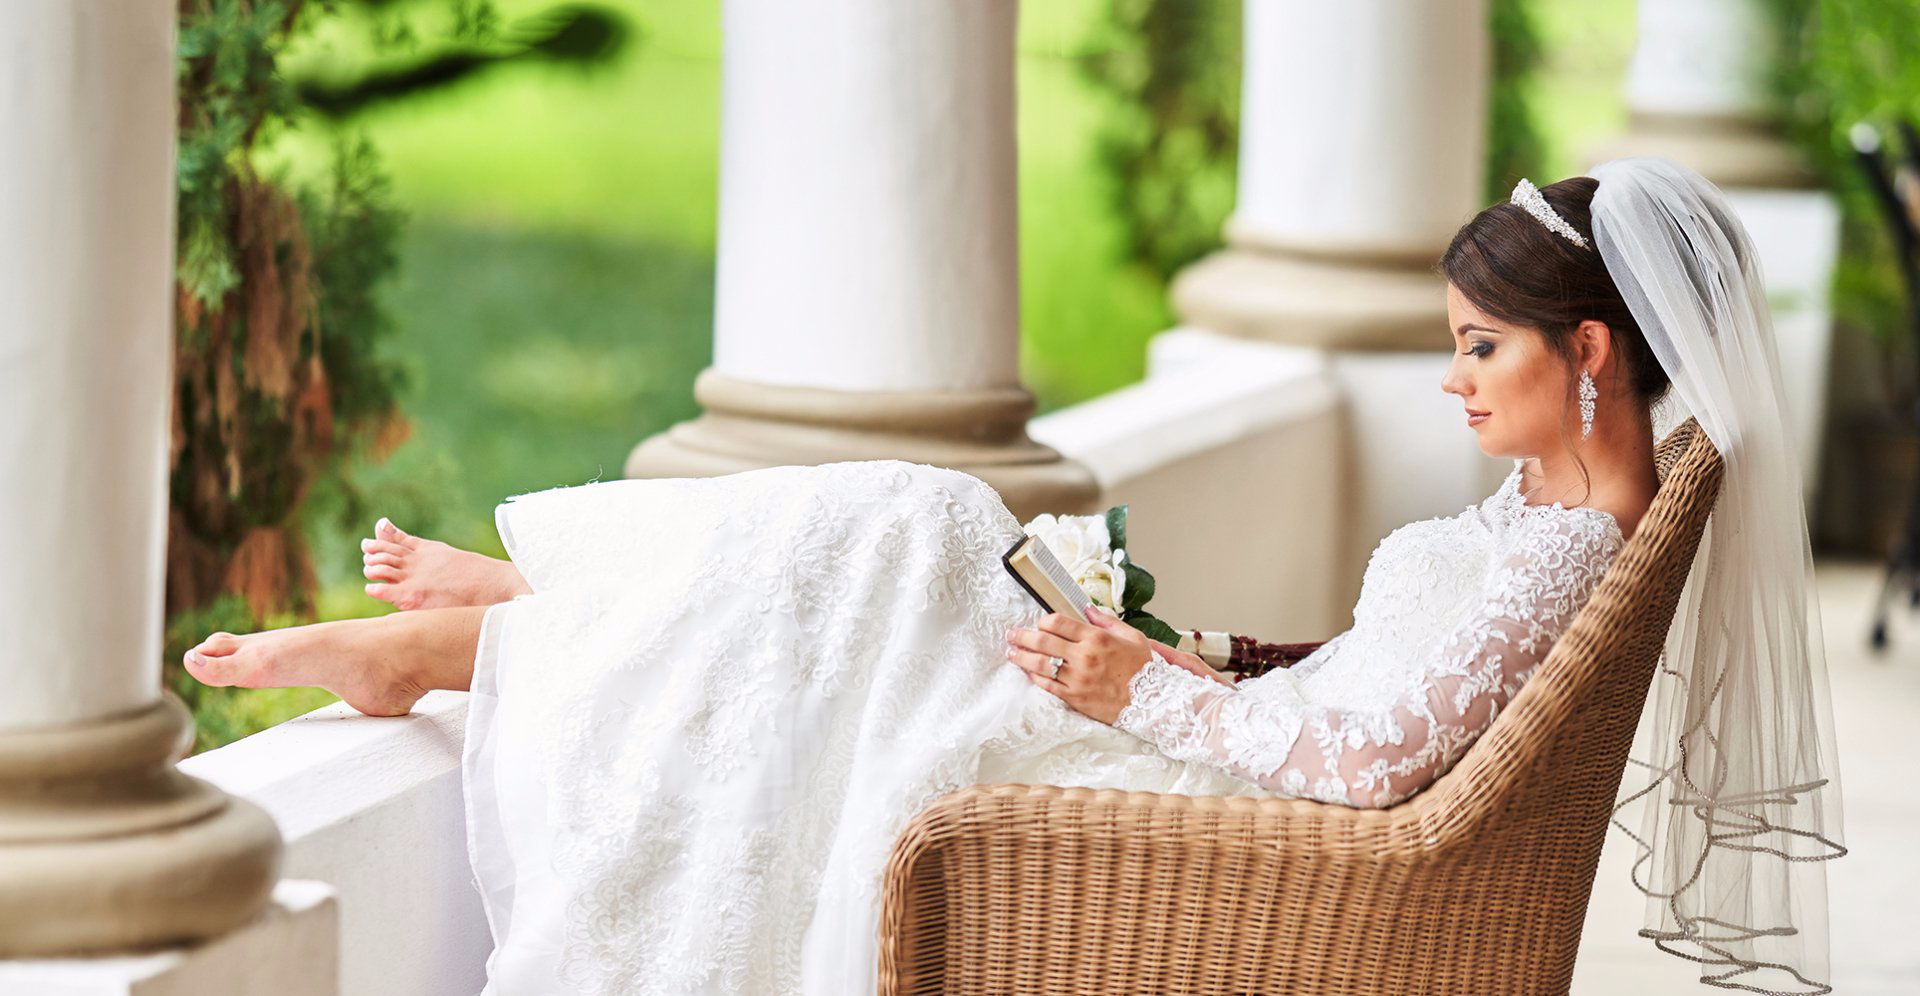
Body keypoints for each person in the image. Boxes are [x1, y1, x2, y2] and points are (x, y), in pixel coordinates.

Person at [182, 157, 1843, 995]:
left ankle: (494, 638)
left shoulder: (1564, 550)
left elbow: (1384, 770)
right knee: (923, 540)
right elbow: (1379, 692)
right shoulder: (1564, 523)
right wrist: (1194, 653)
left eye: (1484, 348)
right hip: (1218, 732)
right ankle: (520, 627)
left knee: (901, 531)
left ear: (1596, 352)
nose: (1454, 379)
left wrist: (1146, 688)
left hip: (1235, 807)